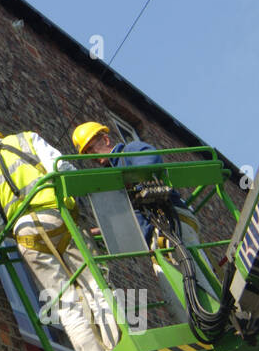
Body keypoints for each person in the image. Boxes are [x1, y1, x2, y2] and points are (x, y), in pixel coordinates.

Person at [0, 129, 119, 351]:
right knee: (95, 284)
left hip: (25, 233)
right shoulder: (26, 138)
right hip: (59, 217)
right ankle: (119, 349)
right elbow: (60, 167)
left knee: (65, 303)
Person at [71, 121, 221, 300]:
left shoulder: (130, 151)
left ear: (105, 139)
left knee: (198, 280)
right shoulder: (110, 179)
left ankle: (220, 319)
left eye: (91, 147)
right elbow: (129, 218)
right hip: (155, 242)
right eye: (86, 152)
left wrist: (131, 180)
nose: (91, 155)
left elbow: (151, 160)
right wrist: (101, 231)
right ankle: (205, 323)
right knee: (177, 297)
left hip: (173, 222)